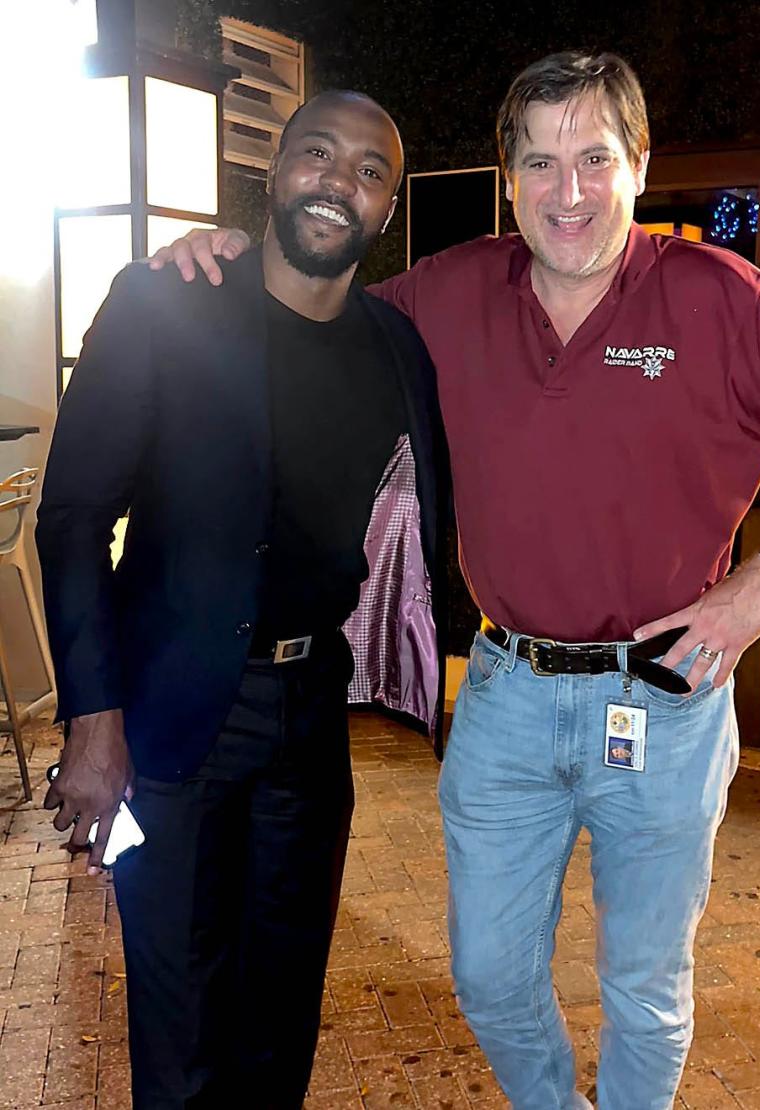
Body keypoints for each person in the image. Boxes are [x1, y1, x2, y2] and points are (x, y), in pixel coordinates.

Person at [152, 52, 760, 1110]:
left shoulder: (720, 298)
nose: (569, 192)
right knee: (489, 975)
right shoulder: (452, 292)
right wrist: (227, 258)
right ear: (509, 178)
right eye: (541, 163)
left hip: (666, 694)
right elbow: (314, 318)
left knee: (644, 985)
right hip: (506, 693)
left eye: (595, 158)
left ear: (638, 166)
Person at [37, 90, 447, 1110]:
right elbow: (74, 516)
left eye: (367, 171)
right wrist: (93, 722)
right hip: (171, 727)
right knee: (178, 1031)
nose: (337, 182)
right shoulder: (165, 301)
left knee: (280, 1021)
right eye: (318, 153)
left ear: (388, 210)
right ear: (275, 168)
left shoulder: (399, 352)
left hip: (310, 731)